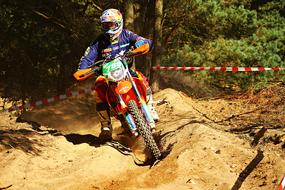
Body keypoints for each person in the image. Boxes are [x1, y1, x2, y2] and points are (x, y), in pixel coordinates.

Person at [78, 8, 159, 141]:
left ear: (119, 23)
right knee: (99, 86)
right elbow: (87, 58)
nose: (109, 28)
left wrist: (141, 46)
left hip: (125, 70)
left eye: (112, 24)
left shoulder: (127, 35)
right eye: (106, 25)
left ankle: (150, 106)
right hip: (107, 75)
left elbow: (143, 41)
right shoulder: (98, 42)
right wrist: (82, 69)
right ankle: (106, 127)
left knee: (141, 78)